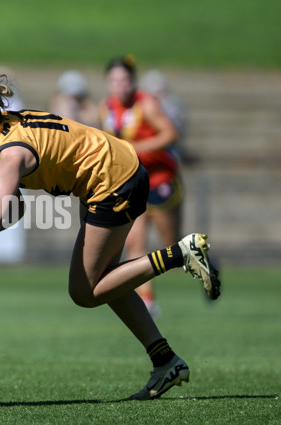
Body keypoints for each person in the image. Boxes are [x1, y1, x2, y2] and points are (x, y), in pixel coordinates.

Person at [0, 74, 221, 400]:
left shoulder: (7, 156)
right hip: (109, 171)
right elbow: (11, 213)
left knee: (84, 292)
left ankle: (180, 254)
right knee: (108, 282)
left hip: (114, 179)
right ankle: (165, 360)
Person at [99, 55, 183, 318]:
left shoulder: (146, 105)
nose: (119, 85)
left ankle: (205, 262)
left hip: (160, 181)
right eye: (114, 80)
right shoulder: (107, 108)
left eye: (124, 79)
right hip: (135, 183)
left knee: (171, 243)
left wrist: (136, 149)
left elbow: (170, 134)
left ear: (132, 81)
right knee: (135, 242)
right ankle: (147, 299)